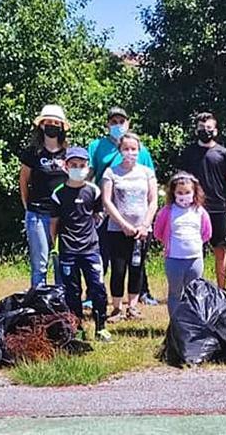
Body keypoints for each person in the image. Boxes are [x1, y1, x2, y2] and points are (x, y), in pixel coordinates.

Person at [88, 106, 159, 306]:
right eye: (113, 122)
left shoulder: (143, 153)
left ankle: (140, 296)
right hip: (106, 212)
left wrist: (146, 223)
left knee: (137, 261)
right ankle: (96, 294)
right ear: (107, 124)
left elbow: (151, 192)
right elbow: (90, 175)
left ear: (128, 123)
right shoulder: (96, 146)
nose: (118, 125)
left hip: (140, 221)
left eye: (121, 121)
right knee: (105, 256)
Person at [49, 147, 111, 342]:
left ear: (88, 167)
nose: (78, 169)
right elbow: (54, 223)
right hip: (68, 249)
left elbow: (98, 215)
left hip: (91, 249)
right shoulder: (58, 193)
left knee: (97, 288)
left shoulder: (94, 190)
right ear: (66, 166)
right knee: (72, 291)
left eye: (82, 165)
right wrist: (54, 246)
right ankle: (77, 328)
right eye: (73, 165)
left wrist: (92, 234)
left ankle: (101, 327)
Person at [101, 133, 158, 322]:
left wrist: (145, 225)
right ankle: (117, 308)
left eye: (134, 149)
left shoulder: (146, 172)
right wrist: (123, 224)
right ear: (120, 150)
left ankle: (132, 307)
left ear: (139, 151)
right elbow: (107, 201)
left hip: (142, 231)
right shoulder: (111, 173)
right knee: (118, 268)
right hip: (117, 229)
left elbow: (153, 201)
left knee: (137, 267)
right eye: (126, 149)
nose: (130, 152)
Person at [180, 112, 226, 290]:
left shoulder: (224, 153)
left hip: (218, 209)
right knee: (193, 251)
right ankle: (193, 289)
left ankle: (222, 290)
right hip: (193, 209)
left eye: (209, 128)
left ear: (216, 130)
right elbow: (179, 182)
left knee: (220, 250)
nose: (205, 131)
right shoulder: (188, 153)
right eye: (201, 128)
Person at [18, 104, 69, 287]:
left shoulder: (68, 153)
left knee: (61, 262)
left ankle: (61, 303)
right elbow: (23, 180)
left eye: (56, 123)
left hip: (62, 216)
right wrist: (27, 207)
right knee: (40, 264)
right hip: (37, 214)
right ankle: (38, 302)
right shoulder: (32, 153)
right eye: (49, 122)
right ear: (41, 125)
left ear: (62, 127)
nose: (52, 125)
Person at [153, 172, 212, 317]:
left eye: (187, 192)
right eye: (180, 192)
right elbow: (158, 232)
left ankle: (192, 323)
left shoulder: (200, 211)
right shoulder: (168, 211)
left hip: (195, 259)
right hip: (174, 259)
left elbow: (206, 233)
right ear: (173, 193)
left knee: (194, 292)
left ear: (194, 192)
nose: (183, 195)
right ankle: (175, 324)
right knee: (175, 292)